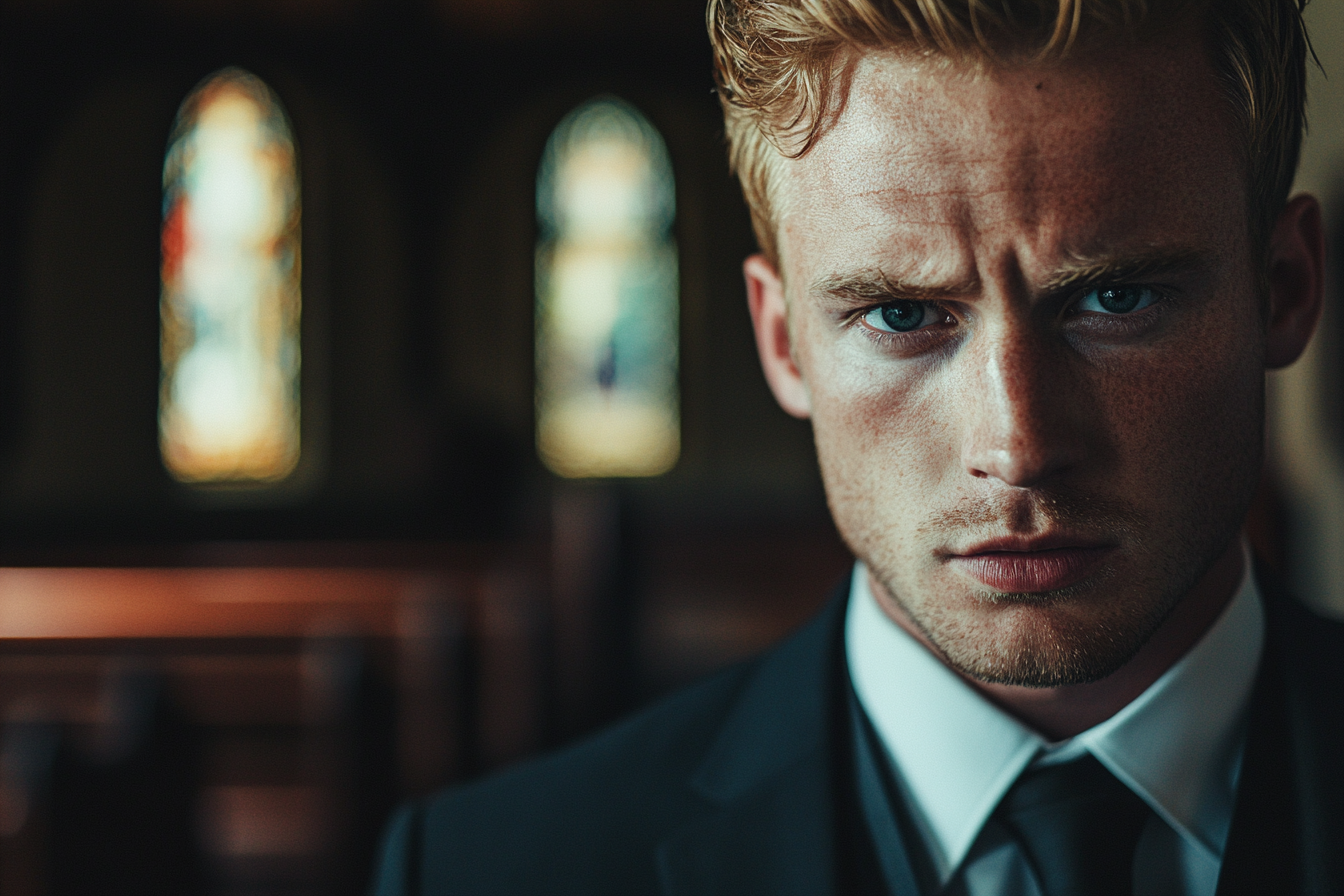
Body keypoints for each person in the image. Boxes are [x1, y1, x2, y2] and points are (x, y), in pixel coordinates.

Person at [373, 1, 1344, 893]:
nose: (1017, 444)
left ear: (1285, 287)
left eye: (1116, 298)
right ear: (784, 339)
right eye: (901, 312)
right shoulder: (486, 870)